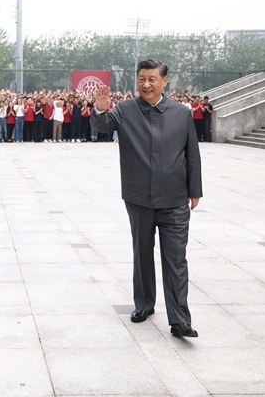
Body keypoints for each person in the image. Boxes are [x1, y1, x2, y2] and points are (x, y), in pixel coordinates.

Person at [90, 59, 203, 339]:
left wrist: (195, 189)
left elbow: (192, 154)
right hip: (138, 197)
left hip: (175, 198)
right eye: (141, 79)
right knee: (142, 254)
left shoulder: (181, 113)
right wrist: (100, 109)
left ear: (165, 81)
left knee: (176, 259)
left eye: (152, 79)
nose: (146, 84)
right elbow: (103, 126)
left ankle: (180, 320)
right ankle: (144, 305)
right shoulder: (126, 110)